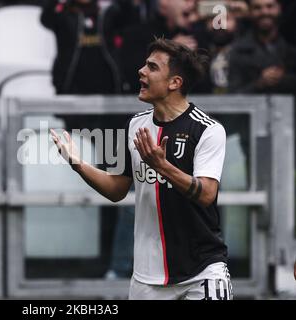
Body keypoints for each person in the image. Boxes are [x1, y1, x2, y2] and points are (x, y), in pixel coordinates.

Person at [51, 38, 232, 300]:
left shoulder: (208, 130)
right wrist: (78, 164)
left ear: (175, 83)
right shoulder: (135, 126)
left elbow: (206, 194)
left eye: (152, 67)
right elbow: (117, 190)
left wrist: (162, 166)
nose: (141, 72)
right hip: (147, 278)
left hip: (202, 271)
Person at [228, 0, 296, 94]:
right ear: (250, 12)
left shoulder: (291, 49)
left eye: (270, 6)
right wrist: (259, 84)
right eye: (257, 8)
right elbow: (232, 96)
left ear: (279, 8)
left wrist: (284, 79)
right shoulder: (238, 50)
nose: (264, 12)